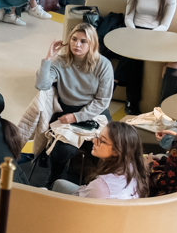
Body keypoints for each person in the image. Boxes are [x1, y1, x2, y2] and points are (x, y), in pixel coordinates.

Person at [29, 24, 114, 188]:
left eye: (83, 41)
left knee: (105, 147)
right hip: (66, 109)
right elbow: (41, 85)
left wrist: (77, 117)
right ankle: (54, 178)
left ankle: (98, 184)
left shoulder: (103, 65)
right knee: (63, 151)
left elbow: (102, 100)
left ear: (92, 44)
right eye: (74, 39)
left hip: (95, 111)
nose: (77, 44)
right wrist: (48, 58)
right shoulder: (61, 61)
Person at [51, 121, 147, 199]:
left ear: (117, 151)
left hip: (84, 211)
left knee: (46, 190)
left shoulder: (100, 186)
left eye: (102, 141)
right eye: (98, 137)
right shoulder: (133, 167)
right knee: (59, 183)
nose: (94, 141)